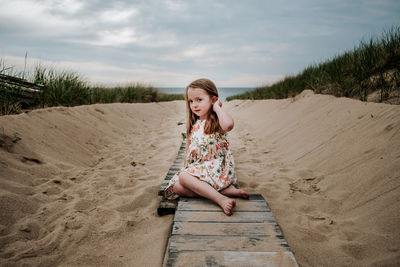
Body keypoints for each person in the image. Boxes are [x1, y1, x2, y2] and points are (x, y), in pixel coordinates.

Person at [164, 78, 249, 215]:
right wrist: (187, 166)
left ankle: (220, 198)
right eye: (191, 101)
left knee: (184, 177)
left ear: (213, 99)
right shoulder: (193, 124)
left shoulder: (215, 122)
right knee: (177, 187)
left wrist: (218, 108)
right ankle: (224, 190)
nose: (194, 105)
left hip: (217, 169)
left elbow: (229, 125)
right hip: (201, 168)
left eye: (199, 100)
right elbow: (188, 148)